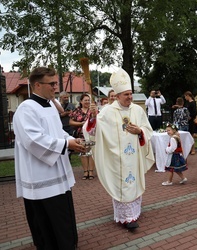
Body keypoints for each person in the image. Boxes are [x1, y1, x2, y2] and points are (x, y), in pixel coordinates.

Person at [13, 67, 85, 249]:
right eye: (51, 83)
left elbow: (57, 132)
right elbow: (33, 140)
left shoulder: (50, 105)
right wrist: (66, 145)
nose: (55, 87)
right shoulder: (26, 109)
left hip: (57, 175)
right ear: (37, 85)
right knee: (47, 223)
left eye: (55, 83)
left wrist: (70, 139)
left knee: (63, 218)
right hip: (41, 177)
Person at [88, 68, 154, 230]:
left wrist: (140, 131)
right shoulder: (107, 112)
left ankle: (134, 212)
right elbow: (93, 131)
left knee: (134, 182)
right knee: (123, 183)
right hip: (117, 158)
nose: (130, 97)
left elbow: (147, 129)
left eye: (131, 94)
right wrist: (92, 117)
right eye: (126, 94)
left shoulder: (137, 110)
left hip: (135, 156)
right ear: (117, 96)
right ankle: (126, 217)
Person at [69, 93, 96, 180]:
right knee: (83, 152)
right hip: (81, 134)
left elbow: (98, 119)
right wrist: (81, 123)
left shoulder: (92, 110)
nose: (87, 102)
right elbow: (71, 122)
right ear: (81, 101)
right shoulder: (77, 111)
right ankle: (85, 171)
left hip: (92, 134)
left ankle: (91, 171)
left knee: (91, 152)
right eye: (85, 100)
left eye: (88, 100)